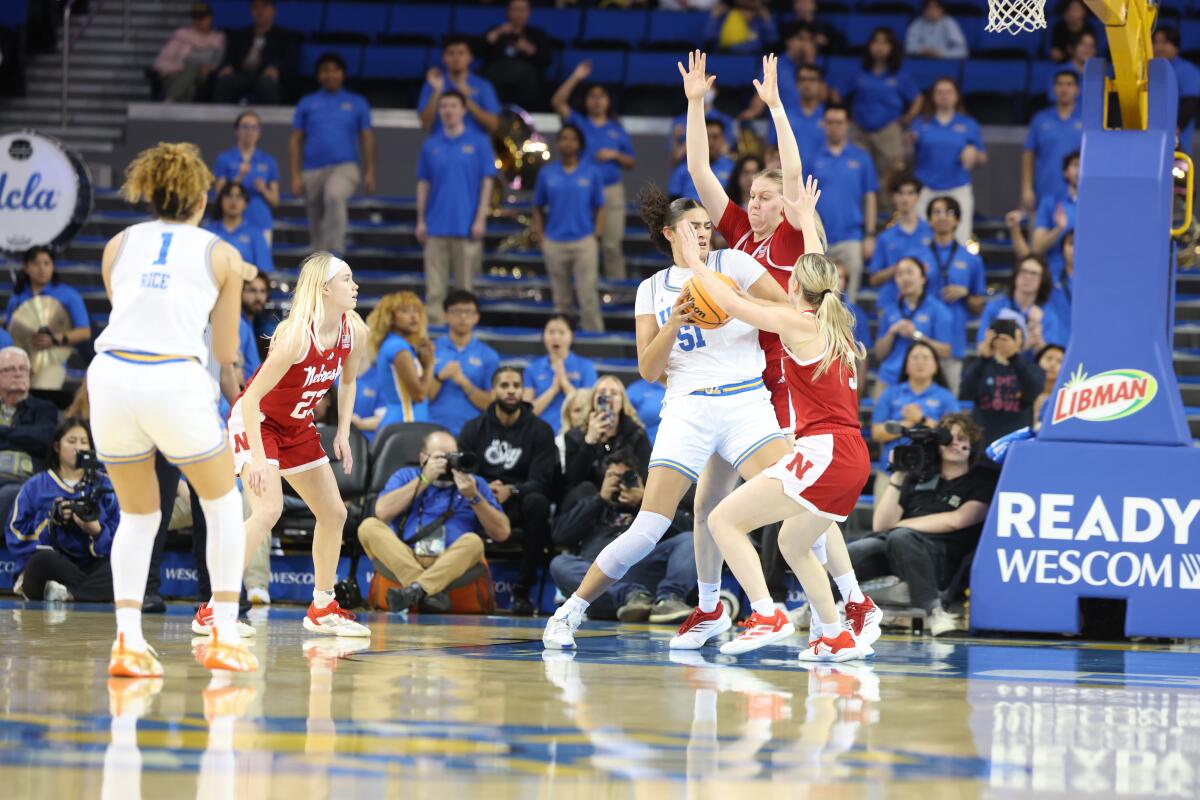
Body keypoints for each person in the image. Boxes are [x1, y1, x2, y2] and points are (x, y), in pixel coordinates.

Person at [540, 184, 799, 652]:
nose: (703, 234)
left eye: (706, 226)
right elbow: (648, 368)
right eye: (693, 227)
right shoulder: (652, 289)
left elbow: (785, 310)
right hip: (688, 408)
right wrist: (677, 320)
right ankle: (570, 611)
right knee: (650, 526)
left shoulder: (732, 264)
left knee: (797, 498)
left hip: (744, 402)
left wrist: (735, 304)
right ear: (669, 233)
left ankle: (837, 613)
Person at [672, 210, 879, 660]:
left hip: (823, 450)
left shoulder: (799, 323)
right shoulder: (835, 321)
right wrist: (805, 220)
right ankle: (834, 633)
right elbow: (814, 272)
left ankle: (767, 613)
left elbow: (733, 305)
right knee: (793, 542)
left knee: (722, 520)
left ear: (793, 286)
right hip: (851, 456)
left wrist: (696, 263)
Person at [87, 142, 255, 676]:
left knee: (139, 515)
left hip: (110, 375)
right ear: (203, 197)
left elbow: (130, 311)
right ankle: (225, 633)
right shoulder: (221, 252)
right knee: (222, 502)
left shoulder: (117, 244)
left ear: (151, 192)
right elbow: (225, 352)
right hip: (172, 377)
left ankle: (129, 642)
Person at [223, 251, 370, 640]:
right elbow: (250, 399)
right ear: (324, 289)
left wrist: (341, 431)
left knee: (334, 513)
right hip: (259, 422)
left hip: (297, 426)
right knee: (267, 510)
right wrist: (256, 457)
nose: (355, 286)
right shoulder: (293, 335)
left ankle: (322, 606)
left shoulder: (354, 330)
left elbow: (349, 382)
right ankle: (216, 609)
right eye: (347, 279)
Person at [683, 52, 817, 432]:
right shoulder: (739, 228)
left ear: (783, 206)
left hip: (782, 363)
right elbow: (698, 169)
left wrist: (775, 107)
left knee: (782, 466)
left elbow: (792, 172)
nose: (753, 203)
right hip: (738, 360)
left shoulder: (790, 235)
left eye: (764, 198)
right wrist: (695, 104)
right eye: (752, 195)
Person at [864, 413, 994, 636]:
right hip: (898, 552)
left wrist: (901, 526)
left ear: (972, 444)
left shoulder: (982, 480)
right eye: (947, 438)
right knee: (856, 550)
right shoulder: (919, 479)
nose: (954, 442)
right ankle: (819, 610)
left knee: (900, 536)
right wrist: (898, 475)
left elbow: (957, 520)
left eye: (962, 438)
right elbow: (881, 525)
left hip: (941, 557)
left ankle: (935, 613)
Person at [357, 430, 510, 613]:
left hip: (452, 562)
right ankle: (428, 591)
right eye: (440, 458)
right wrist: (424, 480)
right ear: (423, 458)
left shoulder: (473, 483)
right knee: (368, 527)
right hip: (407, 556)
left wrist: (474, 497)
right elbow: (382, 512)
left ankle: (416, 590)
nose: (446, 464)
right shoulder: (406, 475)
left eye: (451, 457)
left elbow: (502, 533)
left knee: (474, 542)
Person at [550, 450, 695, 624]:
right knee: (559, 563)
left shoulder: (651, 505)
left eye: (627, 476)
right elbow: (561, 535)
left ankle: (669, 601)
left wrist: (644, 501)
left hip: (642, 572)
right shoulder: (593, 503)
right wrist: (600, 500)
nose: (620, 482)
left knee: (690, 538)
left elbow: (686, 530)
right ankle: (631, 597)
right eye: (612, 476)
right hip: (598, 580)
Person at [458, 367, 559, 616]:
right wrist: (483, 490)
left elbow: (543, 480)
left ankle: (522, 590)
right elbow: (462, 471)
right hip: (479, 498)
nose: (511, 390)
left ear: (523, 391)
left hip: (519, 500)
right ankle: (457, 584)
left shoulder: (540, 430)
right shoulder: (473, 428)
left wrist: (512, 490)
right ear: (494, 391)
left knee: (538, 503)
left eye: (516, 385)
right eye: (504, 385)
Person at [5, 418, 118, 602]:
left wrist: (96, 531)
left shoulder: (105, 486)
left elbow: (121, 536)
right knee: (41, 562)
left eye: (84, 442)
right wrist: (50, 521)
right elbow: (15, 533)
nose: (78, 448)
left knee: (121, 565)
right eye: (71, 441)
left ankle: (68, 594)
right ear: (57, 446)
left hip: (91, 564)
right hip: (53, 564)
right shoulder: (36, 485)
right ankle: (87, 593)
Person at [416, 90, 496, 326]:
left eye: (453, 105)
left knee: (465, 290)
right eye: (444, 106)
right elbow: (423, 183)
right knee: (434, 291)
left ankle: (464, 338)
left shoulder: (479, 143)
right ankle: (436, 342)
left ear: (463, 110)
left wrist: (481, 218)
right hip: (435, 226)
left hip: (467, 226)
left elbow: (487, 182)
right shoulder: (431, 145)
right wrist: (421, 220)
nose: (448, 110)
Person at [551, 61, 636, 281]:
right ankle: (584, 288)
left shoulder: (617, 128)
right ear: (585, 101)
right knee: (582, 244)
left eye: (601, 96)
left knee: (611, 245)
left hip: (610, 190)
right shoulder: (578, 123)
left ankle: (617, 294)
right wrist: (576, 77)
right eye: (592, 96)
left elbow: (631, 162)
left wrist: (615, 155)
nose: (597, 101)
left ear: (608, 101)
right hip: (582, 190)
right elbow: (557, 101)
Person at [289, 51, 375, 255]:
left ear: (343, 74)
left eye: (335, 70)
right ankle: (319, 258)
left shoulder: (356, 102)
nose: (330, 75)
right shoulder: (307, 103)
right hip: (312, 169)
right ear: (319, 75)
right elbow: (295, 139)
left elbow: (367, 137)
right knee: (315, 214)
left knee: (334, 196)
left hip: (344, 166)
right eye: (325, 70)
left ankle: (336, 250)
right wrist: (294, 175)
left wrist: (370, 171)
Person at [532, 124, 606, 333]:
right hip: (554, 242)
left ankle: (594, 341)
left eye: (572, 138)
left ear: (580, 144)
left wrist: (596, 236)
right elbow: (537, 207)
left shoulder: (592, 172)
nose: (568, 142)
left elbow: (600, 207)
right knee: (560, 299)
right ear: (557, 143)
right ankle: (561, 341)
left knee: (587, 296)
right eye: (563, 138)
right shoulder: (547, 173)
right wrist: (541, 237)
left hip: (584, 241)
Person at [838, 28, 920, 204]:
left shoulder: (899, 75)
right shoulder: (858, 72)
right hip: (860, 130)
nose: (880, 47)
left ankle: (887, 215)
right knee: (857, 171)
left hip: (888, 130)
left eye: (885, 42)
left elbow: (918, 99)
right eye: (876, 42)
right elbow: (837, 95)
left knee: (892, 171)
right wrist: (846, 117)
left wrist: (908, 117)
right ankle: (860, 213)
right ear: (869, 46)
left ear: (892, 47)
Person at [915, 195, 987, 392]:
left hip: (952, 338)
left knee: (948, 401)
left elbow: (978, 306)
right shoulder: (918, 257)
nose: (943, 217)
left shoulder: (972, 260)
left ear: (957, 220)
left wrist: (966, 293)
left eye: (949, 212)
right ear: (929, 219)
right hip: (922, 334)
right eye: (936, 212)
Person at [810, 103, 878, 299]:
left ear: (847, 124)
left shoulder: (861, 158)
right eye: (830, 122)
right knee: (817, 298)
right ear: (823, 124)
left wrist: (870, 235)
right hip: (820, 238)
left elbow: (870, 197)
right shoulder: (813, 158)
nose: (834, 127)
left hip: (852, 238)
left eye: (839, 122)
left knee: (851, 301)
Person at [871, 340, 959, 492]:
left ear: (936, 365)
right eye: (915, 357)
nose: (920, 362)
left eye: (925, 358)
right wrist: (908, 422)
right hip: (891, 471)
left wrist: (921, 420)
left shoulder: (946, 398)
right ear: (905, 364)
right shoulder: (890, 394)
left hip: (932, 472)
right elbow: (876, 433)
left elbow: (951, 436)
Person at [5, 246, 92, 390]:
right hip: (20, 362)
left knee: (42, 395)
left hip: (51, 363)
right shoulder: (18, 297)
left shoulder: (69, 295)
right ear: (26, 267)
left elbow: (85, 331)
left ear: (53, 266)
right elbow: (10, 330)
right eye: (36, 264)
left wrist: (56, 339)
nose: (42, 269)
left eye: (47, 263)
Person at [911, 78, 985, 243]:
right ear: (933, 97)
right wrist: (907, 143)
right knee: (922, 240)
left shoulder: (968, 124)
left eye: (949, 92)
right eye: (940, 92)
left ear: (957, 96)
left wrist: (973, 154)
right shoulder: (920, 123)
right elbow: (906, 155)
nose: (944, 96)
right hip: (925, 189)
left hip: (957, 188)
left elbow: (982, 157)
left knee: (960, 238)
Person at [874, 256, 953, 398]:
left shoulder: (938, 310)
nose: (904, 278)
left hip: (923, 381)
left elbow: (945, 351)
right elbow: (879, 354)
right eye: (899, 274)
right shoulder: (889, 310)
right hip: (889, 379)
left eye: (910, 272)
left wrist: (916, 335)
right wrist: (891, 333)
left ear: (923, 278)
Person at [961, 318, 1046, 444]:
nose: (1002, 344)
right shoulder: (980, 367)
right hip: (982, 446)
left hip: (1016, 444)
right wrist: (983, 359)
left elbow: (1032, 391)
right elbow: (966, 391)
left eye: (1006, 340)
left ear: (1018, 341)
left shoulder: (1031, 368)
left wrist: (1014, 357)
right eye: (997, 340)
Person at [0, 347, 57, 533]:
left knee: (8, 494)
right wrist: (21, 435)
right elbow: (31, 438)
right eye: (10, 369)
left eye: (22, 369)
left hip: (23, 480)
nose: (18, 374)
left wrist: (4, 432)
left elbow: (43, 440)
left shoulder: (44, 408)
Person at [564, 374, 652, 494]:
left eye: (614, 393)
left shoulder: (636, 434)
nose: (607, 396)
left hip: (624, 494)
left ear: (622, 401)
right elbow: (574, 480)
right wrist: (589, 441)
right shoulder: (575, 435)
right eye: (602, 392)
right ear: (593, 399)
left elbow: (645, 477)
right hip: (589, 499)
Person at [428, 290, 500, 436]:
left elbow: (491, 404)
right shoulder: (431, 350)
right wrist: (439, 377)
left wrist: (465, 383)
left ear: (476, 317)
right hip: (432, 430)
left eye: (468, 312)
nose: (462, 317)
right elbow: (421, 397)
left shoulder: (489, 356)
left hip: (473, 433)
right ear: (445, 316)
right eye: (456, 311)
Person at [366, 292, 434, 430]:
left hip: (402, 420)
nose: (414, 316)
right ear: (390, 317)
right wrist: (429, 364)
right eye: (405, 311)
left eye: (416, 311)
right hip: (406, 421)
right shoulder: (398, 347)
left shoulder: (393, 344)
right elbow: (419, 395)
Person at [522, 315, 598, 435]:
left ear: (571, 336)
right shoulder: (532, 368)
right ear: (544, 336)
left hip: (576, 434)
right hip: (540, 433)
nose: (556, 337)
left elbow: (587, 407)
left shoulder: (586, 367)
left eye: (562, 332)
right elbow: (525, 412)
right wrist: (553, 389)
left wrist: (564, 383)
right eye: (551, 332)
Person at [212, 110, 280, 244]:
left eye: (254, 127)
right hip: (230, 224)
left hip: (260, 221)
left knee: (261, 263)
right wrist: (238, 177)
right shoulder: (224, 159)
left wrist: (263, 189)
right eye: (245, 127)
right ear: (236, 131)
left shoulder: (268, 161)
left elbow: (275, 201)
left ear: (259, 133)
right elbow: (219, 195)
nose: (249, 132)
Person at [212, 0, 296, 105]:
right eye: (255, 7)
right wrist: (227, 66)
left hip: (266, 75)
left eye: (264, 7)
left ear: (273, 11)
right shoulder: (240, 35)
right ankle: (221, 118)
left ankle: (269, 119)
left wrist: (277, 68)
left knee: (267, 84)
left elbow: (290, 60)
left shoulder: (285, 36)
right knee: (225, 81)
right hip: (241, 73)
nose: (259, 11)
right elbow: (229, 56)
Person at [977, 255, 1066, 353]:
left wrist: (1037, 338)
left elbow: (1052, 358)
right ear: (1015, 275)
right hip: (998, 366)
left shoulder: (1048, 315)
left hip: (1032, 367)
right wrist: (1022, 346)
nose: (1027, 277)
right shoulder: (995, 307)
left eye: (1034, 273)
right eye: (1024, 271)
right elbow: (981, 349)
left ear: (1042, 280)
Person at [1021, 70, 1082, 212]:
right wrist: (1026, 188)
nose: (1064, 89)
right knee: (1040, 233)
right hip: (1044, 191)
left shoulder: (1087, 120)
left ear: (1077, 90)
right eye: (1060, 84)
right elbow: (1028, 154)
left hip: (1079, 193)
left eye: (1069, 84)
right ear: (1054, 89)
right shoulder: (1040, 120)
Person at [418, 34, 501, 136]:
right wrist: (437, 92)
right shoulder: (432, 84)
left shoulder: (483, 86)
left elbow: (494, 125)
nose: (456, 58)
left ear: (470, 57)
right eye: (451, 53)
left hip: (475, 147)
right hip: (441, 145)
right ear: (443, 58)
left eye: (461, 53)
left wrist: (466, 100)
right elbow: (425, 124)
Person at [867, 172, 932, 295]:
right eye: (900, 193)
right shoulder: (884, 238)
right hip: (891, 303)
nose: (905, 199)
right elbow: (873, 279)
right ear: (893, 197)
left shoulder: (932, 233)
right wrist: (899, 269)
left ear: (918, 196)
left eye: (910, 193)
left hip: (926, 304)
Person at [482, 0, 551, 112]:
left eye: (522, 10)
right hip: (496, 80)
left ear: (529, 13)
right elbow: (477, 52)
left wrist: (528, 49)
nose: (518, 13)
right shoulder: (496, 31)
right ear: (508, 12)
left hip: (527, 85)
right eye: (515, 9)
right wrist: (497, 32)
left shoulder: (537, 34)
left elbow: (546, 60)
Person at [153, 2, 225, 103]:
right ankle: (172, 104)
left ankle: (169, 99)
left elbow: (218, 61)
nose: (199, 21)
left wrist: (210, 67)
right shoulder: (182, 35)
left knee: (192, 67)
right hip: (175, 75)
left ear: (210, 18)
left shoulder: (218, 39)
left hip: (203, 76)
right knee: (190, 88)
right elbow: (163, 60)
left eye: (202, 17)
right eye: (196, 18)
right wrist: (173, 68)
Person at [765, 64, 827, 165]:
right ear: (796, 84)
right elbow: (770, 149)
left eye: (812, 79)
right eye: (802, 79)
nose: (807, 84)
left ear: (821, 84)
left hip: (822, 176)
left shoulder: (830, 117)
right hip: (791, 177)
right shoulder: (782, 115)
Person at [205, 182, 273, 273]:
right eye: (228, 196)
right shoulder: (208, 231)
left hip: (246, 285)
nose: (233, 201)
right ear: (220, 201)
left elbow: (264, 270)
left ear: (246, 203)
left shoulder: (256, 234)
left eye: (238, 197)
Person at [1032, 151, 1079, 280]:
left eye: (1084, 165)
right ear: (1066, 172)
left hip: (1090, 274)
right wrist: (1058, 229)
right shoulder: (1050, 204)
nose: (1080, 170)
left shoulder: (1099, 206)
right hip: (1054, 275)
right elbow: (1037, 247)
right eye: (1075, 165)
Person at [1153, 27, 1200, 151]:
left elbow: (1190, 103)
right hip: (1150, 139)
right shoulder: (1148, 69)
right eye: (1155, 42)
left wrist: (1175, 128)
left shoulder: (1187, 70)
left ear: (1176, 45)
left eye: (1164, 42)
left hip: (1177, 143)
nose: (1158, 47)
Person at [668, 118, 735, 202]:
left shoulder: (733, 169)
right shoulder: (684, 169)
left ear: (723, 139)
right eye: (706, 137)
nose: (710, 142)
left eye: (715, 137)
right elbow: (674, 204)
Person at [702, 0, 779, 54]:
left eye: (751, 9)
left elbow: (773, 40)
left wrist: (767, 20)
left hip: (752, 58)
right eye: (743, 8)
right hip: (727, 56)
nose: (747, 12)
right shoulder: (728, 18)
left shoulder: (759, 22)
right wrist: (714, 18)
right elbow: (708, 37)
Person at [556, 388, 593, 469]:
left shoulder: (604, 441)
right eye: (577, 410)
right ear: (568, 415)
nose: (584, 415)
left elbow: (608, 450)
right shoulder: (560, 443)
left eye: (587, 410)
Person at [1032, 343, 1065, 424]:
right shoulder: (1024, 392)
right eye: (1049, 358)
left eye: (1059, 361)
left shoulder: (1067, 398)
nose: (1053, 364)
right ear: (1037, 362)